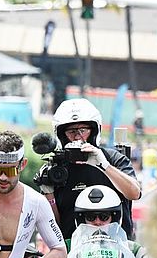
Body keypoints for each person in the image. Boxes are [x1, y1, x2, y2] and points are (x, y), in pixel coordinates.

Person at [38, 98, 141, 239]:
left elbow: (134, 193)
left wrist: (104, 165)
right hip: (73, 253)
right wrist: (48, 193)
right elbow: (54, 226)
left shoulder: (112, 158)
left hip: (119, 249)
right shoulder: (56, 169)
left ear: (93, 131)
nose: (77, 137)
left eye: (83, 130)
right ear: (62, 135)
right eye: (71, 131)